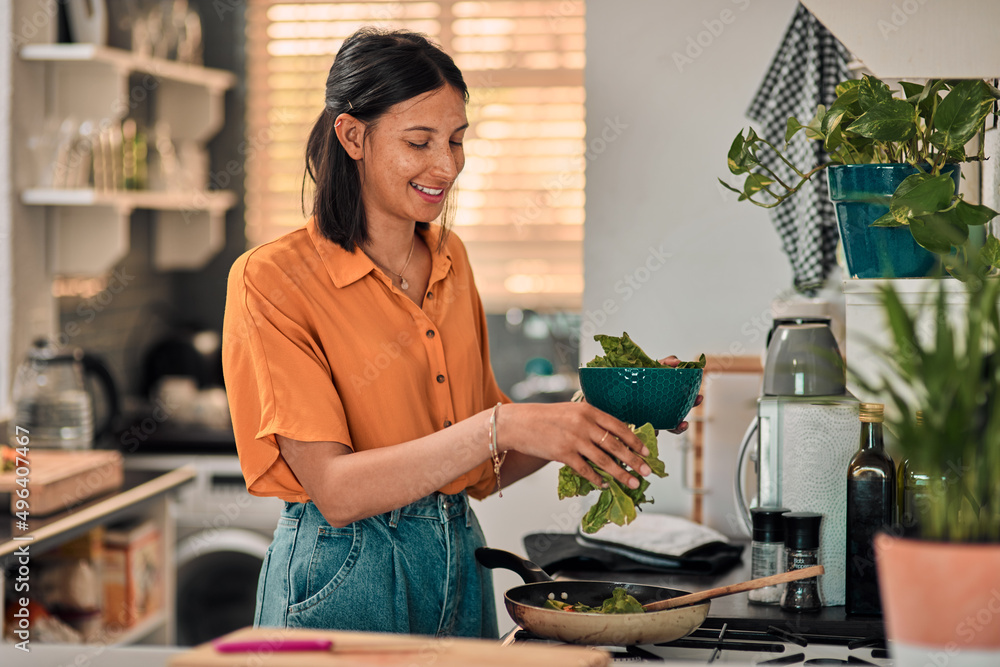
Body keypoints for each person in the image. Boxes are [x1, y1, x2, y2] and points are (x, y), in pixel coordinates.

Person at [222, 27, 699, 639]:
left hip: (457, 558)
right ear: (352, 136)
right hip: (343, 572)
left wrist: (602, 411)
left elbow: (480, 468)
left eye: (455, 140)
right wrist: (503, 425)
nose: (445, 166)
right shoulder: (272, 279)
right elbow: (336, 492)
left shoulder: (451, 259)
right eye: (419, 142)